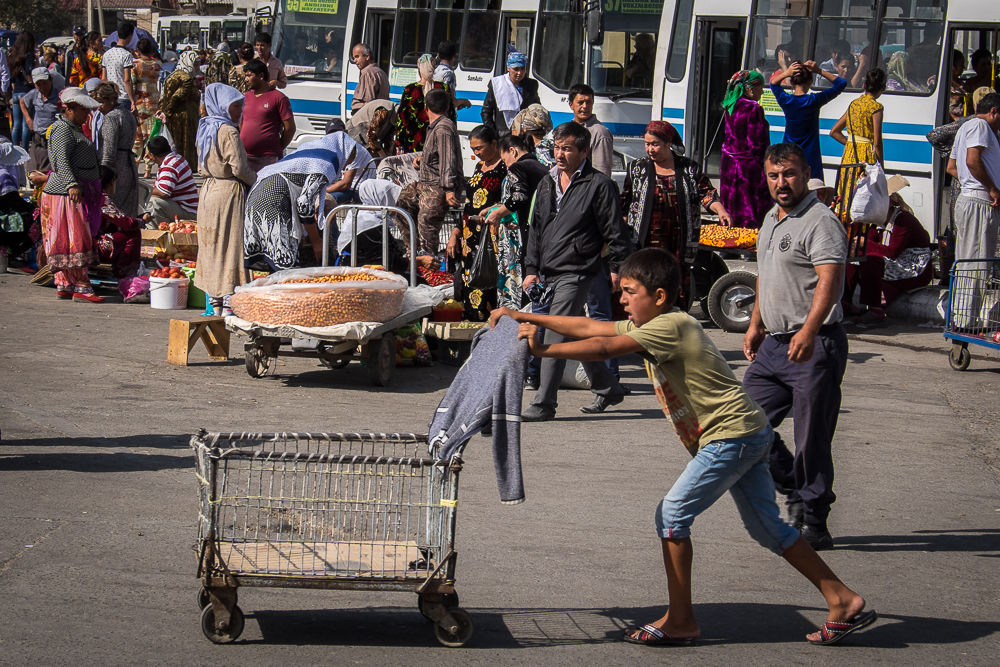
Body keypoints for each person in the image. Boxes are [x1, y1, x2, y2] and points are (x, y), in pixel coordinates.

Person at [489, 247, 877, 648]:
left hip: (731, 436)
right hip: (747, 431)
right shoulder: (659, 322)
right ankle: (842, 599)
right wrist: (523, 315)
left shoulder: (669, 326)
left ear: (658, 296)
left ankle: (681, 620)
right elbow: (592, 328)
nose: (621, 299)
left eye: (628, 291)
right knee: (768, 529)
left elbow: (603, 349)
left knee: (671, 515)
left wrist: (542, 351)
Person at [742, 142, 849, 551]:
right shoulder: (771, 217)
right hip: (773, 344)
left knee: (812, 438)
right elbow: (766, 278)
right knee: (744, 421)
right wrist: (755, 324)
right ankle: (791, 488)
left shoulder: (820, 221)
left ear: (805, 174)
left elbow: (830, 281)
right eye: (773, 175)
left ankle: (814, 517)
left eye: (788, 174)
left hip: (815, 344)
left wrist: (808, 331)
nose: (781, 183)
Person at [519, 121, 631, 421]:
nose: (560, 153)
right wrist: (531, 268)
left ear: (584, 151)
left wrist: (618, 267)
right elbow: (537, 230)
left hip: (580, 269)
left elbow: (615, 230)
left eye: (567, 148)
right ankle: (609, 387)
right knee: (571, 336)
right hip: (548, 270)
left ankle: (544, 403)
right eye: (557, 147)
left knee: (555, 332)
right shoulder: (547, 183)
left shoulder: (599, 185)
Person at [622, 121, 732, 312]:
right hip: (646, 239)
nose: (650, 149)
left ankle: (675, 321)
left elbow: (706, 194)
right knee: (645, 278)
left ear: (668, 143)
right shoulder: (636, 169)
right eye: (647, 144)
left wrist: (720, 210)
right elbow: (625, 203)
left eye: (654, 144)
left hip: (678, 240)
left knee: (676, 281)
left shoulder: (690, 169)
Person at [243, 133, 349, 271]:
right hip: (274, 205)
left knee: (276, 271)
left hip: (258, 198)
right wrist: (316, 241)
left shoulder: (300, 158)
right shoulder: (325, 165)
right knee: (286, 275)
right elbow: (303, 205)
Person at [196, 83, 256, 317]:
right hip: (228, 193)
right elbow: (240, 168)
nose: (239, 111)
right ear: (222, 106)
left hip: (209, 191)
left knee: (211, 247)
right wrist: (257, 180)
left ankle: (216, 302)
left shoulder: (204, 128)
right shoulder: (228, 131)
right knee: (230, 246)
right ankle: (229, 303)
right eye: (235, 106)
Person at [40, 87, 104, 302]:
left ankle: (67, 284)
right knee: (74, 237)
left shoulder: (73, 128)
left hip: (73, 190)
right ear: (70, 108)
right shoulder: (61, 129)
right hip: (65, 193)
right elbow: (60, 161)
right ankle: (79, 285)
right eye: (84, 109)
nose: (87, 114)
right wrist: (71, 184)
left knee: (72, 237)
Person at [946, 92, 1000, 329]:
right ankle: (965, 321)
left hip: (970, 199)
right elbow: (971, 160)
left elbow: (952, 167)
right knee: (976, 265)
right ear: (994, 111)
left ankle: (962, 318)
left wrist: (972, 182)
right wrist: (991, 188)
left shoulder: (965, 127)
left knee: (969, 262)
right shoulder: (980, 126)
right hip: (979, 203)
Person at [843, 184, 933, 324]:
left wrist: (864, 243)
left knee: (870, 259)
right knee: (855, 257)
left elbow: (893, 252)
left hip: (913, 267)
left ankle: (875, 310)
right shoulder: (876, 222)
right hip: (894, 262)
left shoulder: (903, 219)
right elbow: (867, 245)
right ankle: (846, 303)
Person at [394, 89, 463, 269]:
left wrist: (449, 190)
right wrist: (422, 160)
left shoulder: (443, 128)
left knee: (427, 230)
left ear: (425, 107)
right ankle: (413, 255)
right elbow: (437, 155)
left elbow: (448, 160)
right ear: (448, 107)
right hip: (424, 184)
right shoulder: (435, 126)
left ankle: (428, 268)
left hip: (437, 186)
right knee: (402, 206)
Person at [447, 124, 507, 321]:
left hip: (490, 239)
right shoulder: (478, 166)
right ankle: (471, 325)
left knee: (487, 282)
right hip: (469, 238)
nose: (476, 153)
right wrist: (456, 231)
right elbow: (468, 204)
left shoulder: (504, 168)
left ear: (494, 143)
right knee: (469, 281)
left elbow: (506, 203)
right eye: (473, 149)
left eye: (479, 148)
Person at [486, 133, 549, 310]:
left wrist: (498, 213)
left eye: (504, 160)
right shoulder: (541, 167)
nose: (505, 164)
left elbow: (519, 197)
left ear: (512, 151)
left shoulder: (518, 167)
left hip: (528, 235)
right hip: (545, 231)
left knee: (527, 279)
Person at [770, 61, 846, 182]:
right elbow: (841, 83)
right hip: (810, 155)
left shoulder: (786, 100)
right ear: (810, 82)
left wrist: (787, 73)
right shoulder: (814, 100)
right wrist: (818, 70)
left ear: (792, 82)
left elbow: (773, 84)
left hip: (788, 153)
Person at [830, 68, 887, 217]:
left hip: (849, 154)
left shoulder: (854, 104)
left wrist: (852, 144)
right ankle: (860, 231)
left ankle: (845, 224)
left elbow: (834, 132)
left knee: (847, 193)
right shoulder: (876, 107)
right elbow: (877, 142)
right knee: (864, 195)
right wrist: (881, 166)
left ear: (864, 85)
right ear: (883, 88)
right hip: (866, 156)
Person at [720, 69, 771, 229]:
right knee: (749, 204)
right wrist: (764, 164)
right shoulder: (753, 108)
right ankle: (747, 240)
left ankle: (729, 239)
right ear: (750, 89)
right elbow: (756, 143)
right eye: (760, 88)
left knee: (730, 202)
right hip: (747, 166)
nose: (762, 92)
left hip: (728, 162)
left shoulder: (730, 104)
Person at [92, 82, 139, 218]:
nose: (99, 108)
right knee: (128, 211)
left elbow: (109, 152)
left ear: (111, 99)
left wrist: (104, 178)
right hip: (129, 166)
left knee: (115, 213)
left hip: (116, 170)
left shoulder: (111, 118)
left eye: (101, 103)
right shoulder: (128, 115)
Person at [241, 59, 295, 171]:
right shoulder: (245, 97)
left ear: (261, 76)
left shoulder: (279, 98)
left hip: (269, 159)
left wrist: (278, 148)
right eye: (245, 76)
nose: (246, 79)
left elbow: (289, 129)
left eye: (249, 76)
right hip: (245, 158)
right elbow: (241, 123)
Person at [395, 54, 453, 154]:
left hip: (413, 144)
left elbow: (402, 119)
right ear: (434, 68)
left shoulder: (410, 90)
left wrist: (399, 143)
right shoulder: (443, 88)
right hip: (438, 141)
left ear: (419, 68)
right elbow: (451, 115)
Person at [95, 165, 141, 279]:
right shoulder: (102, 200)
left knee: (117, 230)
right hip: (94, 246)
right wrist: (142, 221)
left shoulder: (90, 195)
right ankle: (126, 275)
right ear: (111, 182)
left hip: (88, 241)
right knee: (134, 233)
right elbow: (126, 223)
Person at [158, 52, 201, 172]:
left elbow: (164, 96)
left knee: (177, 144)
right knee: (185, 144)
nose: (198, 68)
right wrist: (168, 111)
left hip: (176, 118)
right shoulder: (186, 79)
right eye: (196, 65)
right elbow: (176, 97)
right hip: (183, 118)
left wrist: (163, 111)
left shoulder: (174, 75)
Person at [143, 136, 199, 224]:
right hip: (187, 207)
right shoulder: (177, 158)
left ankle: (158, 234)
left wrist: (146, 191)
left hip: (187, 209)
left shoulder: (169, 166)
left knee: (153, 204)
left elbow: (164, 192)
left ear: (152, 155)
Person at [482, 52, 539, 134]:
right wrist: (493, 133)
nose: (519, 73)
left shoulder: (532, 85)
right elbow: (486, 111)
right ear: (508, 68)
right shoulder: (497, 84)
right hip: (503, 134)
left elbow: (537, 108)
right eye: (516, 69)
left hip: (525, 134)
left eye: (522, 69)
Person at [20, 67, 63, 173]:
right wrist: (28, 119)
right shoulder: (34, 94)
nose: (42, 87)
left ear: (51, 80)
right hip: (37, 137)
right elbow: (22, 102)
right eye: (38, 84)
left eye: (45, 83)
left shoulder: (59, 96)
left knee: (45, 172)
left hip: (52, 139)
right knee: (31, 172)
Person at [323, 126, 374, 208]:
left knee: (328, 200)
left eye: (339, 133)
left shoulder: (354, 150)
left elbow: (346, 184)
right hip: (350, 187)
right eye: (332, 134)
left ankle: (329, 220)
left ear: (346, 132)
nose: (336, 137)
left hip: (358, 190)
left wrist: (324, 191)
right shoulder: (337, 149)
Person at [568, 83, 613, 176]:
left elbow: (601, 173)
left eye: (588, 102)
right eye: (580, 102)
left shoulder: (600, 132)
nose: (585, 106)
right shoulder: (568, 129)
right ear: (571, 105)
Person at [131, 37, 162, 163]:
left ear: (138, 49)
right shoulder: (157, 65)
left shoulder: (135, 64)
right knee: (151, 134)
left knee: (137, 137)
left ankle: (136, 163)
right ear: (151, 50)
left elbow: (132, 84)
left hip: (139, 103)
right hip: (154, 102)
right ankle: (149, 167)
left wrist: (132, 101)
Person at [9, 31, 37, 151]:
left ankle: (15, 148)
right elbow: (29, 71)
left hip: (16, 92)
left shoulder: (14, 55)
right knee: (26, 123)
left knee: (16, 124)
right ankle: (24, 149)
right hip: (26, 91)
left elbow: (12, 78)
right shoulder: (28, 55)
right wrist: (32, 83)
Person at [101, 23, 137, 113]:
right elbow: (127, 80)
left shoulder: (106, 54)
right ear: (130, 36)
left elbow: (104, 78)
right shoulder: (126, 55)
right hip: (124, 97)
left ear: (118, 35)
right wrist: (133, 101)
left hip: (111, 97)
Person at [350, 43, 389, 112]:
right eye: (354, 58)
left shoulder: (368, 74)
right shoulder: (381, 72)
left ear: (367, 56)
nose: (355, 61)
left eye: (357, 57)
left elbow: (368, 104)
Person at [434, 40, 472, 111]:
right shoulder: (449, 74)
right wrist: (464, 101)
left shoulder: (434, 71)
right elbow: (451, 101)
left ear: (438, 55)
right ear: (454, 55)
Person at [949, 50, 970, 121]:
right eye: (961, 65)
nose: (963, 68)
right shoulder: (937, 81)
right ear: (953, 66)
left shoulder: (960, 82)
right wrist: (954, 118)